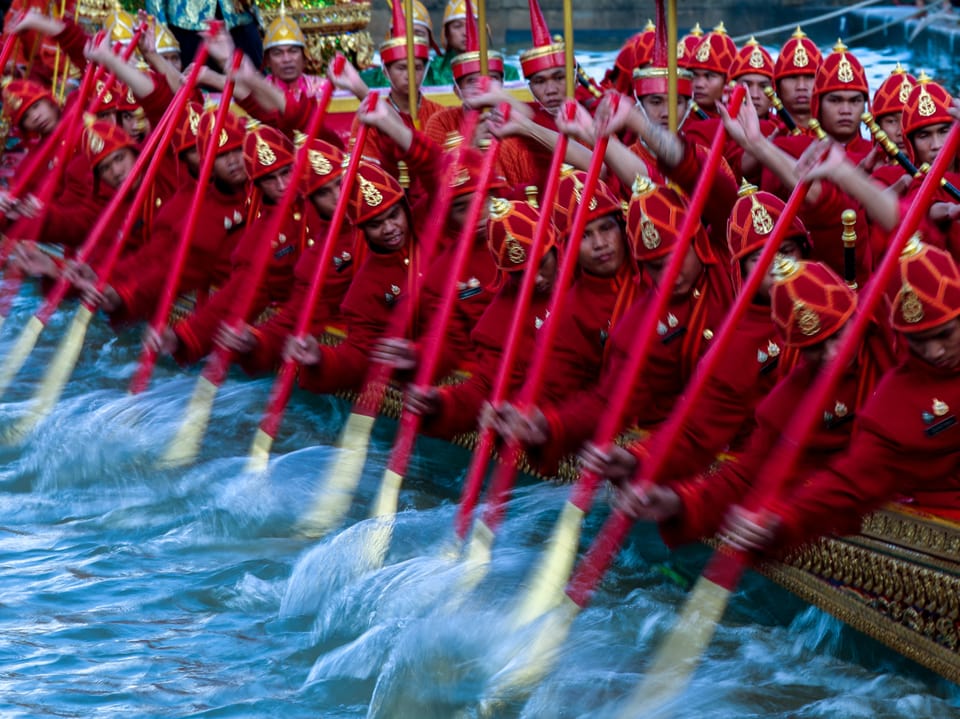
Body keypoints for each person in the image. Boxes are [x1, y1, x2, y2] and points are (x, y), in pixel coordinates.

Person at [615, 255, 894, 551]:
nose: (832, 354)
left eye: (838, 334)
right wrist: (678, 502)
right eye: (814, 348)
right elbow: (746, 478)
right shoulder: (790, 397)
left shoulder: (896, 338)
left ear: (855, 315)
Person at [721, 240, 960, 556]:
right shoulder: (895, 396)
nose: (934, 352)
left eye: (943, 335)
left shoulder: (884, 347)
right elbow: (854, 476)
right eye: (816, 347)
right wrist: (783, 521)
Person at [581, 183, 809, 486]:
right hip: (754, 462)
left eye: (786, 251)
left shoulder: (838, 304)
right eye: (759, 259)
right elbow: (697, 429)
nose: (778, 267)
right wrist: (640, 459)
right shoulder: (733, 347)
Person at [261, 9, 327, 100]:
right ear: (267, 60)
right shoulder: (258, 94)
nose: (287, 59)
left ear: (304, 56)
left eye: (293, 51)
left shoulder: (323, 88)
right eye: (277, 53)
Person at [771, 27, 822, 136]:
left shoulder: (840, 137)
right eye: (792, 77)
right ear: (777, 86)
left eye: (809, 77)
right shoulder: (763, 133)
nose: (801, 86)